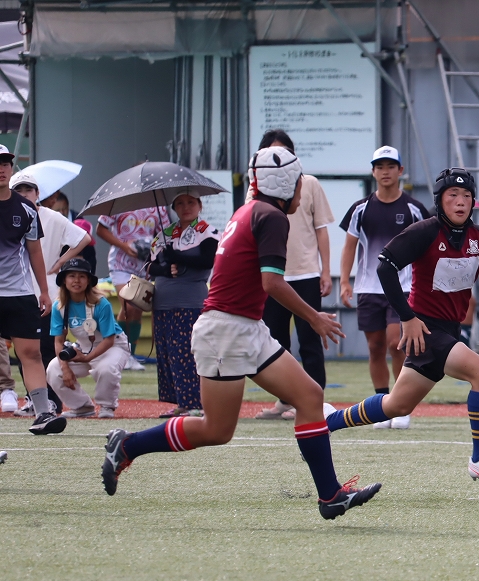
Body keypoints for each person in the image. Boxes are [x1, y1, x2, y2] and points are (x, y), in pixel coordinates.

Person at [100, 147, 382, 521]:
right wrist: (314, 317)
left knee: (310, 396)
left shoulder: (250, 210)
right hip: (226, 331)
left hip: (244, 327)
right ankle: (128, 446)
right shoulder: (272, 217)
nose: (303, 190)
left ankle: (330, 496)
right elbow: (271, 283)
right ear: (284, 182)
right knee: (216, 430)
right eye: (300, 182)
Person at [325, 168, 479, 481]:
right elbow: (385, 267)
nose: (460, 201)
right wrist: (407, 317)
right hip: (426, 329)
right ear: (439, 200)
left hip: (448, 330)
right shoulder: (425, 231)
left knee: (397, 406)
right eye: (453, 195)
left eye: (466, 196)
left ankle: (328, 422)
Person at [339, 145, 429, 429]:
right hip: (368, 288)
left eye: (391, 166)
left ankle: (400, 404)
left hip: (403, 288)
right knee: (375, 347)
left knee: (396, 343)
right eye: (380, 167)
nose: (385, 171)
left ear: (400, 171)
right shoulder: (360, 209)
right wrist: (344, 281)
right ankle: (381, 404)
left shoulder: (414, 209)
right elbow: (349, 247)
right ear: (373, 171)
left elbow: (427, 248)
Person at [252, 129, 334, 419]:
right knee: (275, 341)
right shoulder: (257, 190)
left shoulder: (308, 184)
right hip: (272, 275)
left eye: (285, 153)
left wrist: (326, 271)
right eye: (272, 154)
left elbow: (321, 229)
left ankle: (315, 401)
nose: (279, 159)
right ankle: (285, 400)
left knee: (311, 339)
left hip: (306, 273)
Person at [11, 171, 90, 417]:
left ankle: (52, 401)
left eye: (29, 190)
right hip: (19, 292)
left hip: (49, 294)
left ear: (38, 193)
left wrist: (61, 262)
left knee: (45, 348)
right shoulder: (10, 215)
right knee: (24, 351)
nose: (25, 194)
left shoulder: (52, 217)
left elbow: (84, 238)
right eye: (19, 190)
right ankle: (34, 399)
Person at [0, 144, 65, 434]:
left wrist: (44, 291)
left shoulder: (26, 208)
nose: (1, 169)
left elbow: (35, 251)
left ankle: (43, 414)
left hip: (19, 294)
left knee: (31, 353)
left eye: (5, 163)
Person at [149, 189, 220, 418]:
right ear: (174, 208)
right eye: (180, 203)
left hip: (190, 302)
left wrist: (177, 257)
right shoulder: (165, 234)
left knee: (187, 353)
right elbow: (150, 266)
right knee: (168, 354)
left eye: (191, 202)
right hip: (163, 302)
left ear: (200, 205)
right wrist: (165, 269)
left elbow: (207, 260)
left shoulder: (207, 232)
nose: (186, 207)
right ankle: (181, 402)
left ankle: (195, 402)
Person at [47, 259, 130, 418]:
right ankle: (82, 407)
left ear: (89, 281)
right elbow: (58, 341)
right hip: (84, 346)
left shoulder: (101, 304)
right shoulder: (59, 306)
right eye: (71, 276)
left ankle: (107, 406)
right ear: (64, 280)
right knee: (54, 369)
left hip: (114, 346)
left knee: (105, 369)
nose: (76, 280)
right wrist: (65, 368)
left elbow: (109, 339)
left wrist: (87, 358)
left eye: (82, 276)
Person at [97, 205, 167, 369]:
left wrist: (152, 247)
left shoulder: (159, 206)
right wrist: (124, 246)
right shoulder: (119, 202)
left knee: (137, 309)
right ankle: (120, 353)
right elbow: (100, 229)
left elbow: (164, 234)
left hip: (145, 265)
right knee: (129, 305)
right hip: (120, 264)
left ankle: (130, 355)